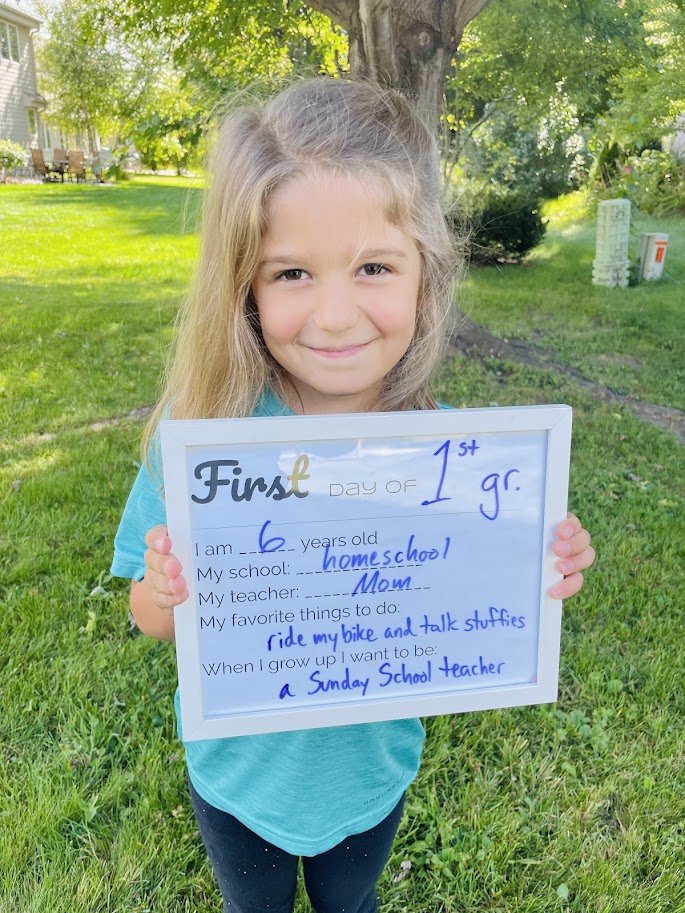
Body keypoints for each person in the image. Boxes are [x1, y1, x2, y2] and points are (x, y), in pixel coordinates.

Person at [111, 78, 595, 913]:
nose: (334, 316)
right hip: (237, 777)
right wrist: (163, 593)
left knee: (353, 902)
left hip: (371, 776)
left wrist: (541, 565)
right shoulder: (199, 442)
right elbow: (145, 616)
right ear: (245, 290)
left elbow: (485, 585)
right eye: (291, 272)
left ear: (425, 275)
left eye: (373, 267)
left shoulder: (449, 455)